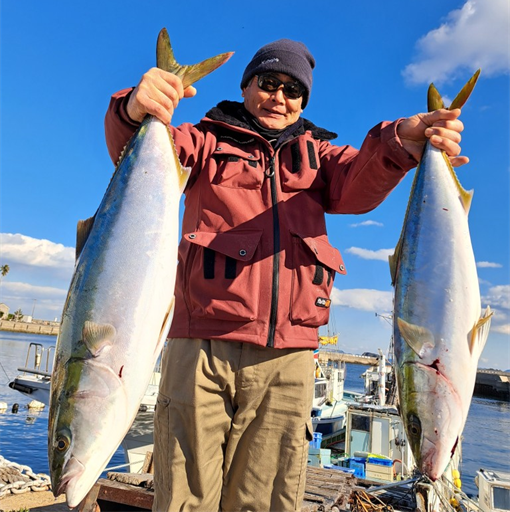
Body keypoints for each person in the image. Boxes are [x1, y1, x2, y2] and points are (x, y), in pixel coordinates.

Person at [104, 38, 467, 512]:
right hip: (201, 348)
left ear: (303, 102)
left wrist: (402, 139)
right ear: (246, 86)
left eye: (293, 90)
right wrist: (133, 108)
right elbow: (134, 155)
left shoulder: (322, 160)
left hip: (288, 358)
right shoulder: (204, 143)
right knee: (184, 498)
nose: (279, 96)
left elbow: (361, 183)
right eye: (268, 82)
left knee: (266, 500)